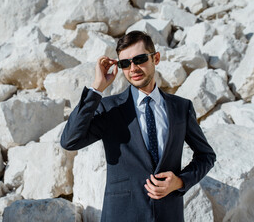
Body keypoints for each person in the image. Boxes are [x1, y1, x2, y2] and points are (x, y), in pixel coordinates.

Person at [61, 31, 216, 222]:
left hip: (169, 215)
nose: (133, 68)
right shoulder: (110, 108)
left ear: (156, 58)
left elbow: (206, 156)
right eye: (125, 63)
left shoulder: (180, 107)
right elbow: (69, 140)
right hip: (121, 215)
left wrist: (180, 181)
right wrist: (97, 88)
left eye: (140, 59)